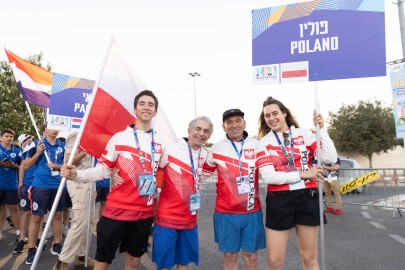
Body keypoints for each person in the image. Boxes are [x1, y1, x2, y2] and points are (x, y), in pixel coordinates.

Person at [61, 90, 165, 269]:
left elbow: (166, 172)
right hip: (116, 210)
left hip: (143, 212)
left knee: (134, 261)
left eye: (151, 105)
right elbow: (102, 170)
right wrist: (77, 175)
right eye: (142, 103)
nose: (146, 107)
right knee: (103, 261)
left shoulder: (162, 143)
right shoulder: (119, 138)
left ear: (155, 111)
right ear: (134, 109)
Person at [256, 96, 337, 270]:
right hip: (279, 199)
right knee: (274, 261)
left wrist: (322, 130)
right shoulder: (263, 143)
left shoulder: (305, 134)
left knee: (309, 258)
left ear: (284, 113)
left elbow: (330, 158)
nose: (271, 118)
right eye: (267, 116)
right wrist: (302, 174)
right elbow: (269, 176)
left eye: (275, 113)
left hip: (307, 197)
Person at [201, 109, 265, 270]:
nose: (234, 125)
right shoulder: (216, 149)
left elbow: (272, 169)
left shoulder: (256, 145)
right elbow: (200, 175)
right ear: (224, 127)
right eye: (229, 122)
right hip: (226, 213)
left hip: (252, 212)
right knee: (230, 257)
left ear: (244, 123)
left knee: (251, 256)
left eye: (238, 121)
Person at [152, 115, 213, 270]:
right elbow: (155, 170)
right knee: (165, 265)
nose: (201, 133)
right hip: (167, 217)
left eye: (206, 131)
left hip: (189, 219)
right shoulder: (171, 149)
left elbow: (201, 175)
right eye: (198, 129)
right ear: (189, 130)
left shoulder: (205, 154)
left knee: (183, 263)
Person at [53, 132, 97, 269]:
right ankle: (62, 262)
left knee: (88, 223)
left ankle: (81, 256)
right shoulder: (76, 135)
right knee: (79, 223)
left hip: (90, 181)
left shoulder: (94, 135)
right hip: (78, 182)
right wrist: (87, 150)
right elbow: (68, 161)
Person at [24, 127, 66, 265]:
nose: (55, 130)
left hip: (58, 185)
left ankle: (57, 244)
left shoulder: (63, 146)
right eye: (52, 127)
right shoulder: (36, 144)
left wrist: (57, 166)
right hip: (40, 185)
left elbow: (67, 165)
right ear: (46, 129)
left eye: (58, 128)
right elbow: (26, 166)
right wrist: (38, 152)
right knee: (37, 216)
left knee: (58, 215)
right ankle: (31, 249)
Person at [0, 129, 22, 242]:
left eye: (11, 137)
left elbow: (23, 166)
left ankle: (19, 233)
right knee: (2, 210)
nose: (9, 138)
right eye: (7, 136)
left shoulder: (17, 151)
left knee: (14, 208)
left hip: (11, 185)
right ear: (1, 138)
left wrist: (14, 166)